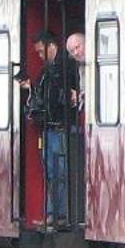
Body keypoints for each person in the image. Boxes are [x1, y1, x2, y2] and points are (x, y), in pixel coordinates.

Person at [27, 35, 76, 227]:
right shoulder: (46, 71)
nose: (39, 55)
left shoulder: (65, 67)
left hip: (60, 127)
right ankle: (52, 213)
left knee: (59, 172)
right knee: (51, 172)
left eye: (41, 51)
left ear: (51, 45)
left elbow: (63, 95)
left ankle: (59, 214)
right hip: (48, 127)